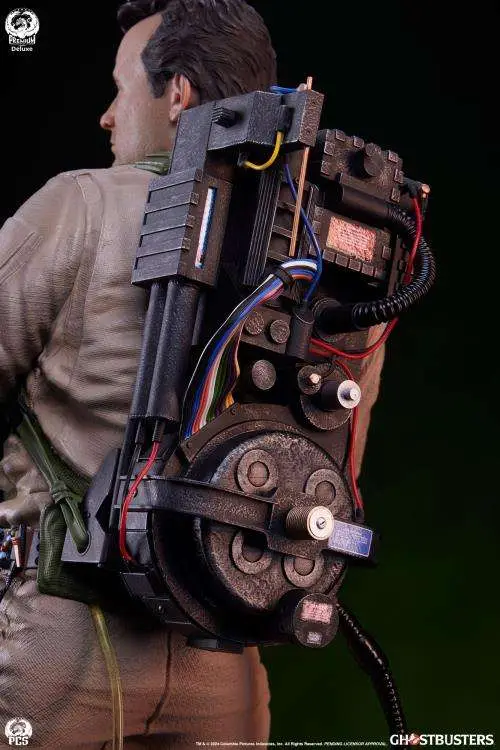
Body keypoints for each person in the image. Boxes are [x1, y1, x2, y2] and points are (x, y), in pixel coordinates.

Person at [0, 0, 386, 747]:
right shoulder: (338, 264)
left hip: (61, 640)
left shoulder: (79, 207)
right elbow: (336, 466)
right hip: (226, 652)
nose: (108, 117)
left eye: (121, 89)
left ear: (177, 94)